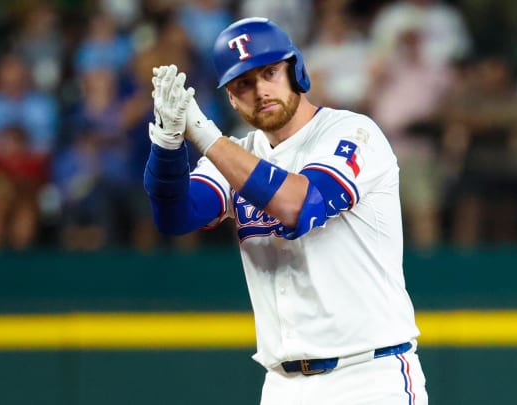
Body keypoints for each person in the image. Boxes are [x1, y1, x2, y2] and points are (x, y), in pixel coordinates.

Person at [143, 17, 428, 404]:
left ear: (296, 71)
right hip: (284, 386)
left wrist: (205, 134)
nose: (260, 90)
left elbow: (300, 204)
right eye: (244, 83)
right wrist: (168, 142)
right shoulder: (235, 155)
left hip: (369, 376)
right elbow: (176, 216)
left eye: (270, 73)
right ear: (230, 96)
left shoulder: (353, 133)